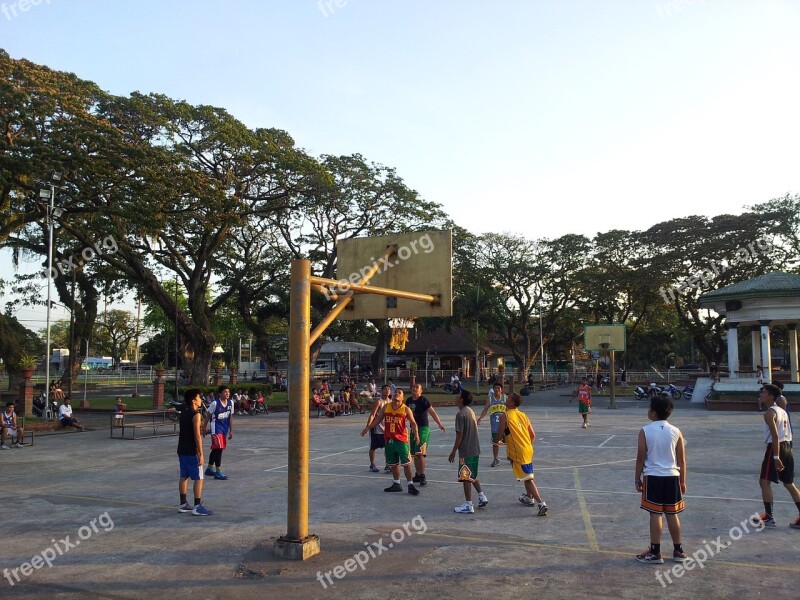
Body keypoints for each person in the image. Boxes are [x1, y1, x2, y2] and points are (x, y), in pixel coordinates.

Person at [634, 394, 687, 563]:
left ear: (654, 413)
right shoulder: (676, 431)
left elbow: (640, 457)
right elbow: (682, 460)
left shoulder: (645, 430)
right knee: (672, 514)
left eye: (650, 409)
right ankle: (678, 550)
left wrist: (637, 479)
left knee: (655, 514)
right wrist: (683, 481)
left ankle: (655, 552)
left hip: (653, 477)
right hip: (672, 477)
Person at [751, 384, 800, 529]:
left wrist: (776, 456)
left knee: (764, 481)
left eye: (764, 392)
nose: (761, 394)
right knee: (789, 483)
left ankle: (769, 517)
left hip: (775, 448)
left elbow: (775, 435)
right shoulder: (782, 411)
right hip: (787, 447)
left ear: (771, 397)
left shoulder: (769, 413)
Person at [360, 389, 421, 495]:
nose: (396, 394)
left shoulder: (405, 409)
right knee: (393, 464)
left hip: (401, 440)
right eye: (395, 392)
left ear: (403, 397)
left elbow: (413, 423)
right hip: (389, 440)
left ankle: (410, 485)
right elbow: (378, 419)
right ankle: (396, 484)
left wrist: (416, 434)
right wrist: (367, 428)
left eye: (399, 393)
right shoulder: (386, 407)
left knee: (406, 464)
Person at [497, 392, 548, 516]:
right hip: (528, 448)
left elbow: (499, 434)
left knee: (527, 479)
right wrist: (524, 444)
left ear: (512, 402)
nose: (506, 398)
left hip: (518, 451)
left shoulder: (505, 415)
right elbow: (533, 435)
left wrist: (497, 440)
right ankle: (528, 498)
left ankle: (541, 504)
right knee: (527, 475)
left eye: (508, 398)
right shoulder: (523, 415)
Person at [448, 389, 488, 513]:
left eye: (458, 395)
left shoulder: (460, 415)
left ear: (462, 399)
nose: (456, 397)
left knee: (465, 477)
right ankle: (482, 496)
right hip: (475, 448)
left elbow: (459, 435)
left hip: (466, 450)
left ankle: (468, 504)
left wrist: (453, 451)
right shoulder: (470, 411)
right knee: (471, 474)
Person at [177, 388, 212, 516]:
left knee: (184, 476)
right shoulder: (195, 415)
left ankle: (183, 504)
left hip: (181, 449)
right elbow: (197, 436)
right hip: (192, 451)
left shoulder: (184, 412)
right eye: (198, 397)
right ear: (193, 400)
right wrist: (201, 453)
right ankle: (197, 506)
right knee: (199, 478)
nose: (200, 400)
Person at [407, 383, 446, 486]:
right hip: (413, 429)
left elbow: (432, 412)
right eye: (413, 387)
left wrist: (439, 424)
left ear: (421, 391)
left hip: (423, 429)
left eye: (417, 387)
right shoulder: (409, 400)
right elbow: (405, 415)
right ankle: (418, 474)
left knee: (420, 453)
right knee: (415, 454)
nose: (414, 389)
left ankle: (423, 475)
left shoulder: (423, 400)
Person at [202, 385, 234, 480]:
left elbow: (230, 417)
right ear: (220, 394)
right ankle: (218, 471)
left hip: (224, 429)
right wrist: (204, 429)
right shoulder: (215, 403)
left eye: (228, 391)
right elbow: (207, 416)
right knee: (219, 449)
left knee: (216, 449)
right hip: (216, 429)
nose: (227, 393)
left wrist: (231, 430)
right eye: (225, 392)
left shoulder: (230, 403)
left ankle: (209, 468)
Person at [477, 382, 506, 467]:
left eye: (498, 388)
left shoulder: (505, 398)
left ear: (501, 390)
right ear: (493, 390)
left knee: (510, 442)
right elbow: (485, 410)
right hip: (495, 426)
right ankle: (496, 459)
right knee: (495, 443)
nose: (497, 389)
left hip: (505, 425)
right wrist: (480, 418)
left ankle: (512, 457)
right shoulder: (490, 399)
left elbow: (510, 410)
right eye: (495, 388)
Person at [365, 384, 391, 472]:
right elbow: (372, 414)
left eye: (388, 389)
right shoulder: (378, 401)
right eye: (385, 389)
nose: (387, 390)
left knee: (388, 446)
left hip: (386, 428)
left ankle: (388, 464)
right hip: (376, 428)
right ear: (382, 391)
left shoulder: (391, 402)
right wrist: (368, 427)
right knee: (373, 447)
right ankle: (372, 464)